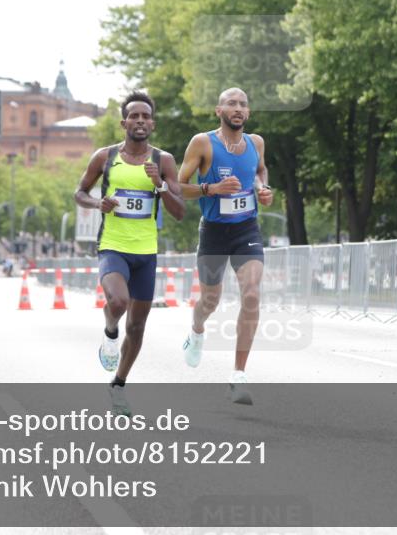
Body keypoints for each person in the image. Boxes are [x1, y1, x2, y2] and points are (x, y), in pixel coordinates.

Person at [74, 91, 185, 415]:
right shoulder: (105, 157)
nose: (140, 121)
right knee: (118, 302)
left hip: (146, 252)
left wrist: (161, 186)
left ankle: (119, 384)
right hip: (112, 246)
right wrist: (98, 203)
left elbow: (179, 212)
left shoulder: (163, 161)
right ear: (124, 122)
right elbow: (79, 192)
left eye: (145, 116)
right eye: (133, 116)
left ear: (152, 123)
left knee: (137, 327)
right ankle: (110, 330)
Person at [177, 87, 274, 405]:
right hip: (214, 232)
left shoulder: (255, 143)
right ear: (219, 110)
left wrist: (263, 188)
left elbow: (260, 170)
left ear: (248, 112)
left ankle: (238, 374)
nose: (238, 108)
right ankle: (196, 330)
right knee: (210, 300)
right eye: (231, 103)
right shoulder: (203, 143)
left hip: (246, 228)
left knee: (251, 293)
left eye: (243, 104)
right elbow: (179, 186)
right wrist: (211, 188)